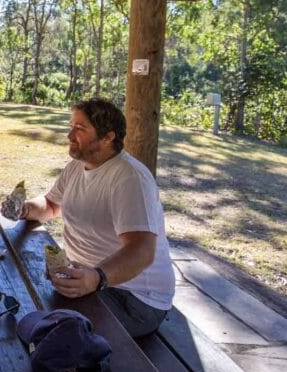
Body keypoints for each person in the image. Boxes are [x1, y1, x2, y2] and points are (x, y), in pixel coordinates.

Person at [18, 98, 174, 337]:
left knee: (50, 333)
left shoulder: (129, 178)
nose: (70, 135)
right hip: (89, 281)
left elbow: (142, 250)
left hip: (133, 297)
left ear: (107, 137)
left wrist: (97, 277)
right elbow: (50, 205)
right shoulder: (77, 167)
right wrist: (25, 208)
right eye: (72, 126)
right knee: (22, 302)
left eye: (80, 129)